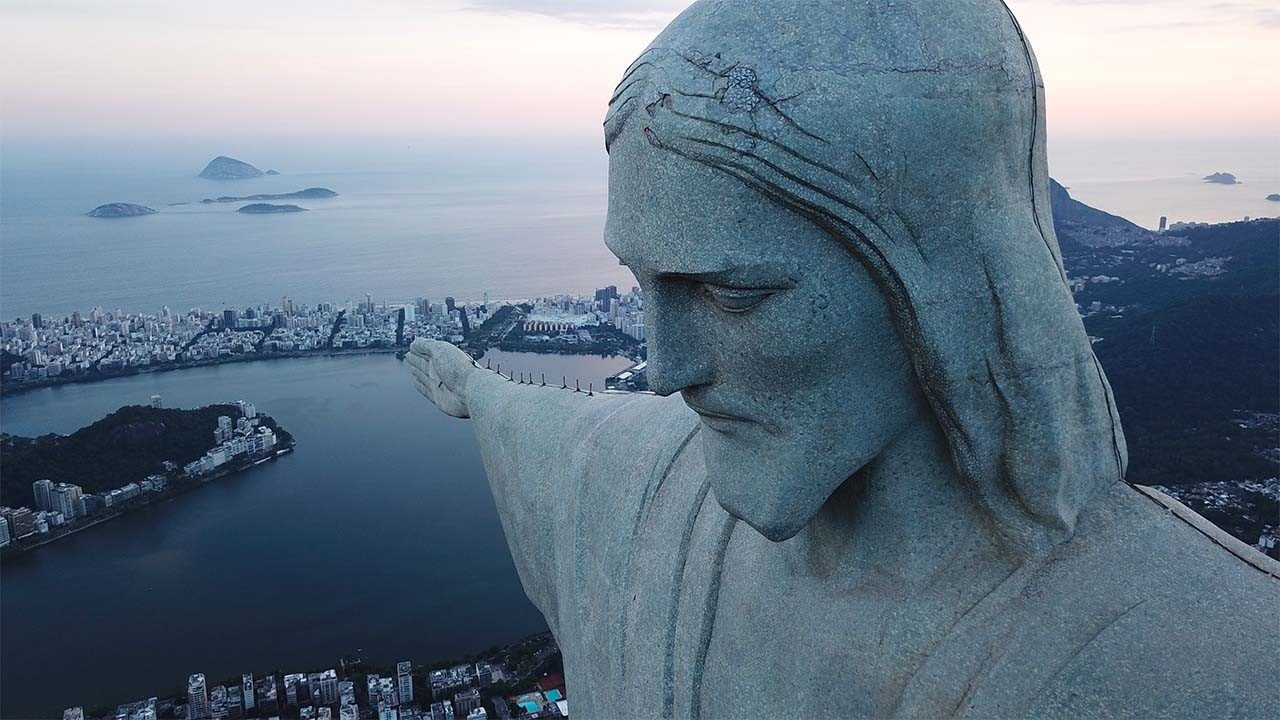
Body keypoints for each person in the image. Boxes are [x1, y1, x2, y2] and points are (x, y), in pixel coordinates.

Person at [410, 1, 1279, 716]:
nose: (667, 370)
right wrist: (482, 392)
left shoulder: (1192, 658)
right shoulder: (665, 490)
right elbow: (569, 433)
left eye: (733, 293)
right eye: (642, 288)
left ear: (949, 283)